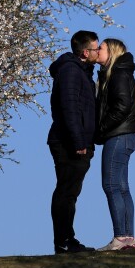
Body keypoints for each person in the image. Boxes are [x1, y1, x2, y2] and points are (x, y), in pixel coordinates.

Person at [47, 30, 102, 254]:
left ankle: (66, 239)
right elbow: (69, 108)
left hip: (75, 141)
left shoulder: (81, 71)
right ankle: (64, 241)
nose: (99, 52)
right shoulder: (71, 71)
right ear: (84, 52)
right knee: (66, 192)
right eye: (96, 48)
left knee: (69, 193)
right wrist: (79, 141)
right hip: (68, 142)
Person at [94, 37, 135, 252]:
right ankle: (128, 238)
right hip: (126, 135)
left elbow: (122, 105)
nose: (97, 51)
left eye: (100, 48)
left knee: (111, 185)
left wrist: (102, 127)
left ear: (111, 52)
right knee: (121, 187)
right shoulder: (119, 73)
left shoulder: (119, 75)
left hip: (119, 135)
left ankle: (121, 237)